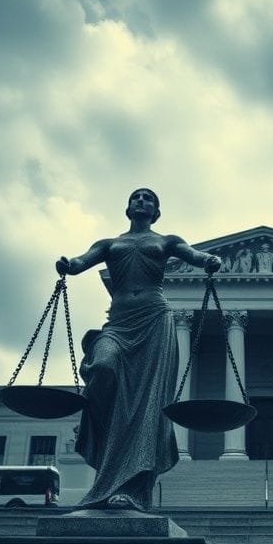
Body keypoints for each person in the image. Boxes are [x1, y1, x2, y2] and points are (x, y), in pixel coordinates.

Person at [56, 188, 220, 511]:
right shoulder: (109, 244)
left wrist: (208, 261)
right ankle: (104, 437)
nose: (142, 201)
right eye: (137, 197)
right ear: (128, 208)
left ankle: (130, 489)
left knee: (146, 406)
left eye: (149, 199)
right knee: (102, 367)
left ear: (156, 212)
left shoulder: (167, 241)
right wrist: (67, 264)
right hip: (118, 325)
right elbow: (80, 262)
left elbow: (194, 255)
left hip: (155, 322)